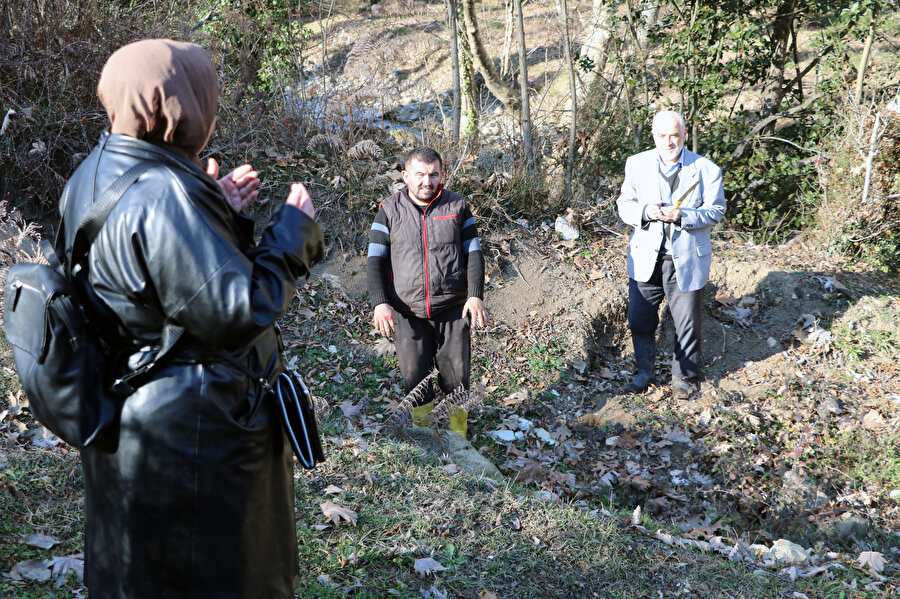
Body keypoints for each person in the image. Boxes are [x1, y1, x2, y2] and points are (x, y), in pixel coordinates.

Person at [59, 39, 324, 597]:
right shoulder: (165, 193)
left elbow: (140, 273)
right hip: (196, 436)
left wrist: (213, 211)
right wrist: (291, 235)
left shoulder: (96, 170)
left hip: (130, 410)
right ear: (181, 107)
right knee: (211, 576)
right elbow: (238, 309)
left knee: (146, 574)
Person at [367, 147, 488, 438]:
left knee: (457, 375)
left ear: (441, 174)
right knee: (414, 378)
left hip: (453, 307)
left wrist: (475, 294)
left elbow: (473, 253)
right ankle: (424, 434)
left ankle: (457, 435)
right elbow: (375, 261)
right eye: (420, 174)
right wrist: (380, 303)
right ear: (406, 175)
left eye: (434, 174)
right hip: (407, 311)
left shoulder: (457, 207)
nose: (427, 181)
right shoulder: (388, 210)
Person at [616, 110, 726, 399]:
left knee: (686, 321)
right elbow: (624, 204)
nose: (668, 141)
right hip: (645, 257)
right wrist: (644, 212)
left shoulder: (707, 169)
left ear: (684, 136)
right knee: (640, 318)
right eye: (662, 136)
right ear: (654, 136)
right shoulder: (636, 164)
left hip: (687, 258)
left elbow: (716, 211)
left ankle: (684, 379)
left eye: (674, 135)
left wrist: (682, 215)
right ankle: (643, 373)